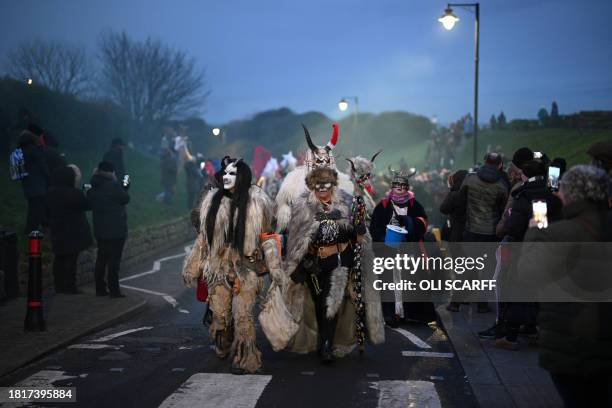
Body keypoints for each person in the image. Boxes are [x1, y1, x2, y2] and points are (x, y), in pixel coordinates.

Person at [518, 165, 612, 407]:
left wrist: (535, 233)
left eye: (563, 190)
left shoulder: (559, 233)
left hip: (572, 339)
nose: (558, 194)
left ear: (572, 194)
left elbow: (529, 275)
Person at [182, 157, 284, 374]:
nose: (226, 177)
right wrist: (193, 265)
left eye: (232, 174)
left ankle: (244, 357)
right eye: (225, 174)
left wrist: (274, 267)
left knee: (243, 315)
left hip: (247, 268)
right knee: (220, 315)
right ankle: (223, 339)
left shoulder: (258, 204)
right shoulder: (212, 203)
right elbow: (204, 239)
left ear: (243, 177)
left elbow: (268, 236)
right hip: (218, 269)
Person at [284, 167, 384, 363]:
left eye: (326, 185)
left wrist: (357, 228)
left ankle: (326, 345)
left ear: (333, 186)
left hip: (339, 261)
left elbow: (358, 234)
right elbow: (295, 236)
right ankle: (322, 340)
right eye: (318, 186)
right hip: (314, 264)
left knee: (333, 303)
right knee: (319, 303)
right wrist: (298, 260)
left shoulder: (346, 202)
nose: (322, 189)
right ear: (313, 187)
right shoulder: (303, 205)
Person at [495, 158, 564, 350]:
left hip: (527, 248)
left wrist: (509, 221)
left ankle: (511, 336)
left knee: (519, 290)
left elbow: (532, 226)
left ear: (525, 176)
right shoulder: (551, 192)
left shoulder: (528, 195)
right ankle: (533, 329)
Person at [370, 169, 432, 325]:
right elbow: (375, 227)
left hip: (408, 249)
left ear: (407, 187)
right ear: (392, 186)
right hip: (388, 251)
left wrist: (409, 222)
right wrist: (384, 239)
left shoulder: (414, 204)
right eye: (397, 184)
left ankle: (409, 314)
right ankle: (390, 314)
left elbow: (423, 222)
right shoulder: (383, 205)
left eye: (403, 185)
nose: (400, 187)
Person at [458, 152, 509, 313]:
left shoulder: (469, 178)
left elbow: (461, 201)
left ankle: (455, 302)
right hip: (490, 233)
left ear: (485, 161)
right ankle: (482, 304)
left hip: (471, 229)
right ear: (500, 165)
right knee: (487, 269)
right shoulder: (501, 184)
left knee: (467, 267)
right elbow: (503, 209)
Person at [45, 165, 93, 294]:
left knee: (59, 257)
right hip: (73, 230)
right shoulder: (75, 193)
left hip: (57, 229)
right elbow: (87, 206)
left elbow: (45, 212)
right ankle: (70, 287)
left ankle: (59, 286)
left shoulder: (50, 192)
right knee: (71, 258)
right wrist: (88, 192)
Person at [87, 161, 130, 298]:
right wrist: (125, 186)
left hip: (100, 229)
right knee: (114, 262)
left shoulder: (93, 186)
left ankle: (100, 289)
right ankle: (114, 290)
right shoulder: (113, 185)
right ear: (111, 172)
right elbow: (125, 198)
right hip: (116, 230)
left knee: (101, 259)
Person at [439, 169, 468, 312]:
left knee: (460, 271)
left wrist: (451, 191)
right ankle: (480, 303)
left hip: (457, 235)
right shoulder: (473, 194)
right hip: (472, 235)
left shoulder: (455, 195)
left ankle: (455, 302)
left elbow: (443, 208)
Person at [17, 130, 49, 234]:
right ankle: (31, 232)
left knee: (33, 208)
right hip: (38, 185)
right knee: (37, 210)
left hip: (27, 185)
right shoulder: (36, 151)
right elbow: (43, 169)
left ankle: (34, 230)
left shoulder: (19, 151)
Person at [180, 144, 203, 210]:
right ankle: (190, 209)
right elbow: (194, 172)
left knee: (193, 195)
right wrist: (198, 173)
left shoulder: (190, 163)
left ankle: (192, 208)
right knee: (192, 196)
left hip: (193, 182)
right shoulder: (189, 164)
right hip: (191, 182)